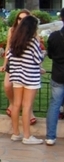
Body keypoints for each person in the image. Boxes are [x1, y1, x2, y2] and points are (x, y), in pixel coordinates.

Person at [6, 15, 44, 145]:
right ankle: (27, 136)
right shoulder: (32, 42)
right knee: (27, 106)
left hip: (17, 76)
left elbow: (9, 56)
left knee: (16, 105)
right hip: (31, 77)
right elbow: (38, 59)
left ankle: (16, 133)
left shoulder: (15, 41)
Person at [0, 9, 36, 124]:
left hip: (27, 64)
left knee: (27, 90)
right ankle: (13, 103)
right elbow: (8, 48)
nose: (21, 21)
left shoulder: (32, 32)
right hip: (13, 62)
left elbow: (36, 51)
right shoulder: (12, 30)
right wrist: (5, 64)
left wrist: (39, 67)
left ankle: (29, 112)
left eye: (24, 19)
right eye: (19, 18)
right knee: (7, 86)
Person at [45, 8, 64, 146]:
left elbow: (50, 54)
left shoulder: (54, 36)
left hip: (58, 74)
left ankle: (50, 136)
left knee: (55, 105)